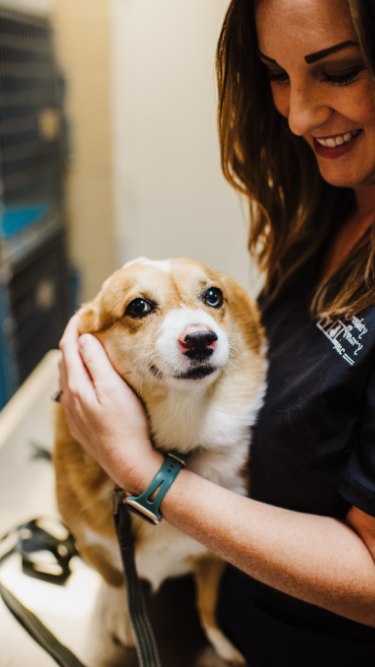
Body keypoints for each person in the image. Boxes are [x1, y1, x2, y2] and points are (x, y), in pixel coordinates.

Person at [58, 0, 375, 664]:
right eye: (274, 74)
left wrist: (142, 472)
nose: (295, 114)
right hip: (216, 605)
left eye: (339, 70)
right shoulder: (322, 211)